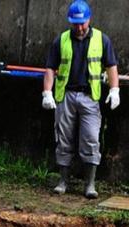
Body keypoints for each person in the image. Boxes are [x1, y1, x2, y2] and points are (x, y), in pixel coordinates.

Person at [41, 0, 120, 199]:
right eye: (75, 23)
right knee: (63, 138)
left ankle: (90, 184)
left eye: (82, 23)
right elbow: (51, 67)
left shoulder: (102, 40)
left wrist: (115, 89)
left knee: (91, 139)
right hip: (66, 96)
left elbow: (111, 66)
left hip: (90, 97)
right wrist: (47, 92)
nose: (79, 27)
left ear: (89, 20)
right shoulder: (62, 40)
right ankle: (63, 181)